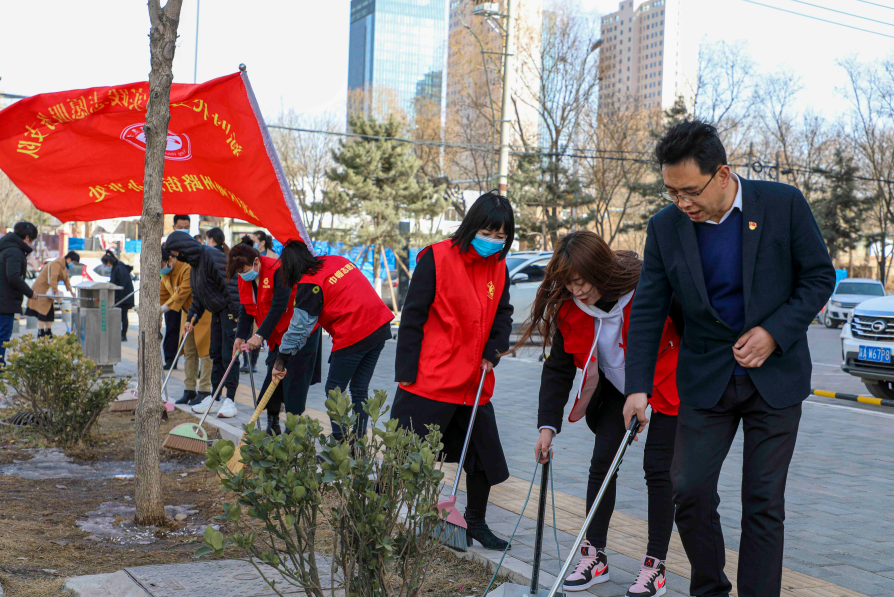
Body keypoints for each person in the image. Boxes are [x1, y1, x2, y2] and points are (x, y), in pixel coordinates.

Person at [623, 120, 836, 597]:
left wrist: (774, 332)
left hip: (775, 378)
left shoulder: (782, 205)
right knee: (690, 491)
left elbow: (819, 277)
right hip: (705, 378)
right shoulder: (665, 228)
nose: (682, 202)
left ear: (721, 174)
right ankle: (709, 589)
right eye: (672, 192)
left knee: (763, 501)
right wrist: (637, 387)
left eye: (690, 191)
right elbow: (649, 311)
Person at [512, 231, 682, 595]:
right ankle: (595, 554)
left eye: (582, 281)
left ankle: (655, 564)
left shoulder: (648, 288)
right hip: (617, 391)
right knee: (602, 464)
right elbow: (557, 370)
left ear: (600, 268)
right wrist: (547, 428)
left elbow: (690, 330)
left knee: (659, 469)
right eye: (569, 284)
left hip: (668, 381)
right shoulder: (573, 309)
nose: (578, 291)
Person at [390, 191, 513, 551]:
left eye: (502, 236)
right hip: (431, 378)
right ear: (473, 225)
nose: (494, 241)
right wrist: (406, 372)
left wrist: (495, 349)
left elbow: (502, 314)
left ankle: (475, 521)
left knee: (482, 457)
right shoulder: (437, 257)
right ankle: (385, 517)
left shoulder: (499, 266)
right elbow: (413, 315)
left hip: (475, 379)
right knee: (406, 455)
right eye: (489, 232)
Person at [271, 239, 393, 439]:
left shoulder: (310, 283)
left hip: (355, 331)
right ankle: (358, 444)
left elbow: (299, 328)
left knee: (334, 390)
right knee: (359, 388)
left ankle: (340, 443)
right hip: (379, 325)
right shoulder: (336, 260)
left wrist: (281, 358)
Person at [230, 237, 315, 434]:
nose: (242, 275)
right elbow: (246, 308)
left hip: (297, 333)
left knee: (293, 381)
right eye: (239, 273)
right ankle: (272, 425)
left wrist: (259, 335)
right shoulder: (245, 278)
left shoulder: (278, 269)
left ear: (256, 262)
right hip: (276, 336)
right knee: (273, 379)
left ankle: (293, 431)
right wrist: (240, 336)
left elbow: (279, 306)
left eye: (243, 270)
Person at [163, 229, 241, 418]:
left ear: (183, 248)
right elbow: (198, 295)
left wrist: (236, 316)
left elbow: (230, 284)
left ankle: (230, 399)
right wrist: (191, 318)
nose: (176, 257)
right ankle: (215, 397)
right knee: (215, 353)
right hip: (215, 311)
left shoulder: (211, 256)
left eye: (176, 253)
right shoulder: (194, 263)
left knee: (229, 355)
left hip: (229, 311)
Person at [161, 247, 213, 405]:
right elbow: (162, 295)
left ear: (170, 259)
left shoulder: (186, 268)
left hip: (204, 312)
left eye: (161, 264)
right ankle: (189, 389)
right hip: (187, 313)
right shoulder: (165, 274)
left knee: (205, 352)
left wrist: (160, 310)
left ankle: (205, 390)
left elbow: (181, 293)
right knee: (189, 351)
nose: (160, 268)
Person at [0, 222, 37, 366]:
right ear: (27, 237)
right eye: (32, 240)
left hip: (3, 300)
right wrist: (30, 293)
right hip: (5, 302)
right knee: (3, 337)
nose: (31, 243)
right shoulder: (14, 251)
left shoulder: (5, 247)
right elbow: (14, 276)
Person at [25, 251, 80, 339]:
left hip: (49, 290)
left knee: (50, 311)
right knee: (42, 310)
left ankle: (48, 331)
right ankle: (41, 332)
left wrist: (71, 292)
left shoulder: (64, 267)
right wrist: (56, 293)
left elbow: (66, 280)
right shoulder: (57, 263)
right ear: (68, 259)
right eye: (73, 263)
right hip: (42, 289)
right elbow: (53, 278)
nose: (73, 265)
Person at [164, 215, 192, 368]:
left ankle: (192, 362)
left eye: (186, 227)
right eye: (180, 227)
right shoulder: (167, 245)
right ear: (174, 227)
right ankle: (170, 360)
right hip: (172, 295)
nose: (183, 230)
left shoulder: (193, 245)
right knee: (172, 328)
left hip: (190, 295)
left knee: (193, 332)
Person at [102, 251, 135, 342]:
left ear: (109, 262)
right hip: (121, 296)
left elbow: (121, 283)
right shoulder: (118, 267)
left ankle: (123, 335)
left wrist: (117, 295)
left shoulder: (119, 268)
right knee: (122, 316)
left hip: (124, 297)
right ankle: (120, 334)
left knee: (123, 316)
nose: (106, 267)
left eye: (106, 264)